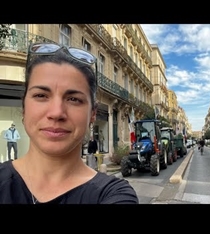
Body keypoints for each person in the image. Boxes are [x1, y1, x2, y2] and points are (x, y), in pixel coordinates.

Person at [0, 42, 138, 204]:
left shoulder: (114, 195)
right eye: (41, 96)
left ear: (92, 114)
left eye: (74, 99)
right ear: (24, 107)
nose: (57, 112)